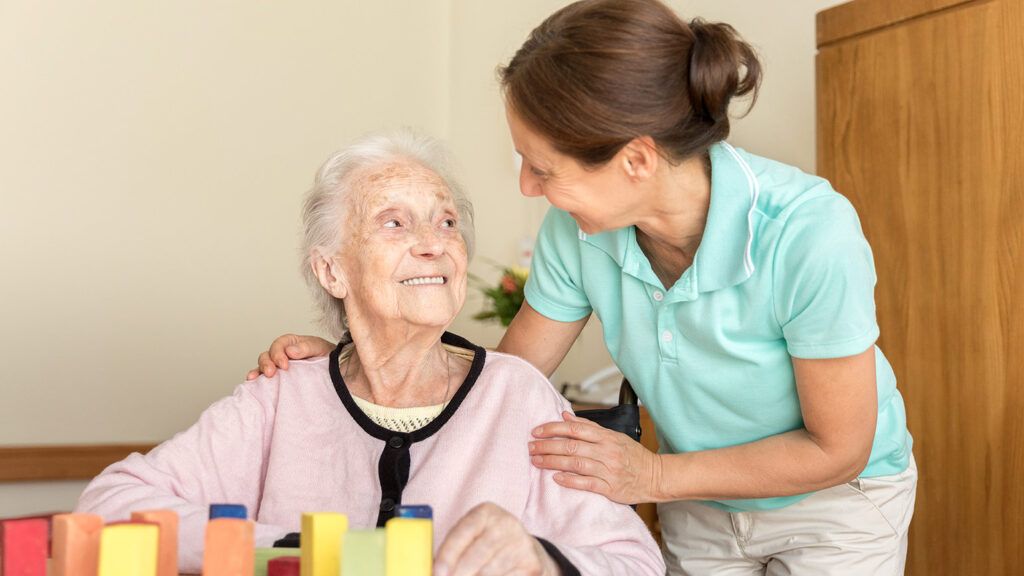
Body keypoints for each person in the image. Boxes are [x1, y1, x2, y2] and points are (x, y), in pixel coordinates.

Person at [250, 0, 918, 574]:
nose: (526, 188)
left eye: (543, 168)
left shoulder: (807, 233)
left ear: (635, 160)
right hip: (701, 503)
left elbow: (839, 448)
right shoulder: (580, 234)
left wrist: (653, 477)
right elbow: (503, 382)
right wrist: (356, 364)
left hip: (837, 501)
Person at [76, 130, 665, 576]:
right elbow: (110, 504)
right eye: (394, 223)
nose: (433, 245)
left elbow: (635, 561)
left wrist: (544, 560)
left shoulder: (516, 394)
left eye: (447, 222)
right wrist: (307, 550)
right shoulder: (284, 392)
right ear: (332, 269)